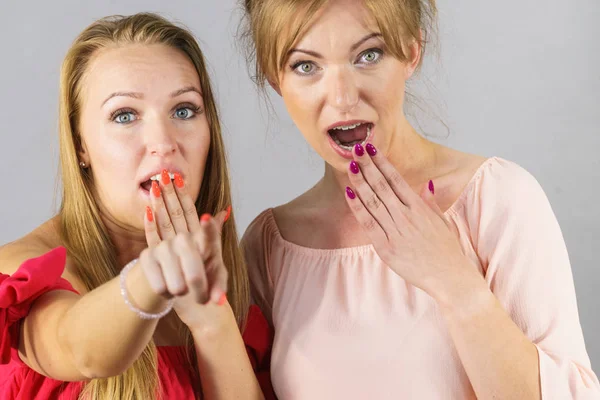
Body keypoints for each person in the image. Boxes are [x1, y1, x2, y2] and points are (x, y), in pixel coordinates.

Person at [239, 0, 600, 398]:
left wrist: (455, 283)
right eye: (306, 66)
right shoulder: (270, 246)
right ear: (276, 79)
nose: (342, 98)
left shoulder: (496, 200)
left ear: (412, 51)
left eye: (368, 55)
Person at [0, 13, 273, 400]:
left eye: (183, 110)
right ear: (81, 145)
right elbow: (79, 348)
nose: (163, 142)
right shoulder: (22, 270)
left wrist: (211, 320)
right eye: (124, 115)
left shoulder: (240, 293)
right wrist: (154, 276)